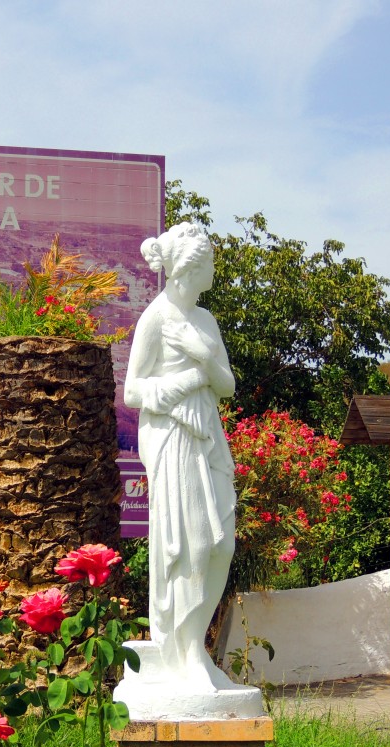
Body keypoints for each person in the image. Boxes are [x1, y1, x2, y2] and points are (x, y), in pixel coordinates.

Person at [124, 222, 237, 691]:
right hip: (172, 438)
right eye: (209, 260)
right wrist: (187, 382)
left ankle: (194, 648)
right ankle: (185, 651)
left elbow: (227, 385)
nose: (214, 267)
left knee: (222, 541)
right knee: (191, 542)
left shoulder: (205, 320)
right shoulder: (156, 317)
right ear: (190, 268)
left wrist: (203, 359)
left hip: (207, 434)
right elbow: (132, 390)